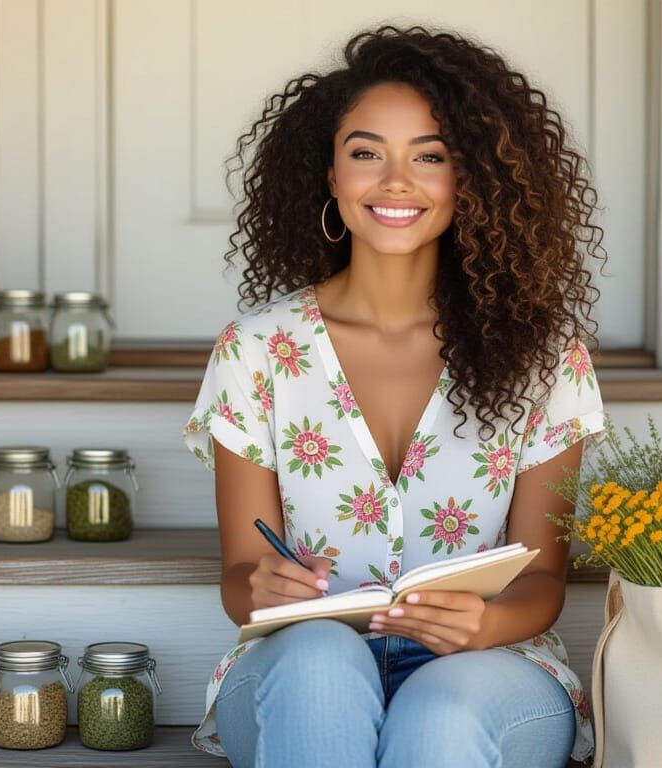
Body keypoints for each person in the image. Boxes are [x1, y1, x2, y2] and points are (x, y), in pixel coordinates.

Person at [183, 24, 608, 768]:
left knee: (441, 716)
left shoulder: (545, 360)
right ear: (329, 173)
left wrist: (483, 623)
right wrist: (264, 586)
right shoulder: (254, 351)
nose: (395, 182)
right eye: (366, 153)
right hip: (299, 672)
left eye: (431, 157)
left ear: (471, 178)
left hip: (494, 669)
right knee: (317, 663)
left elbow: (545, 579)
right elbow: (239, 581)